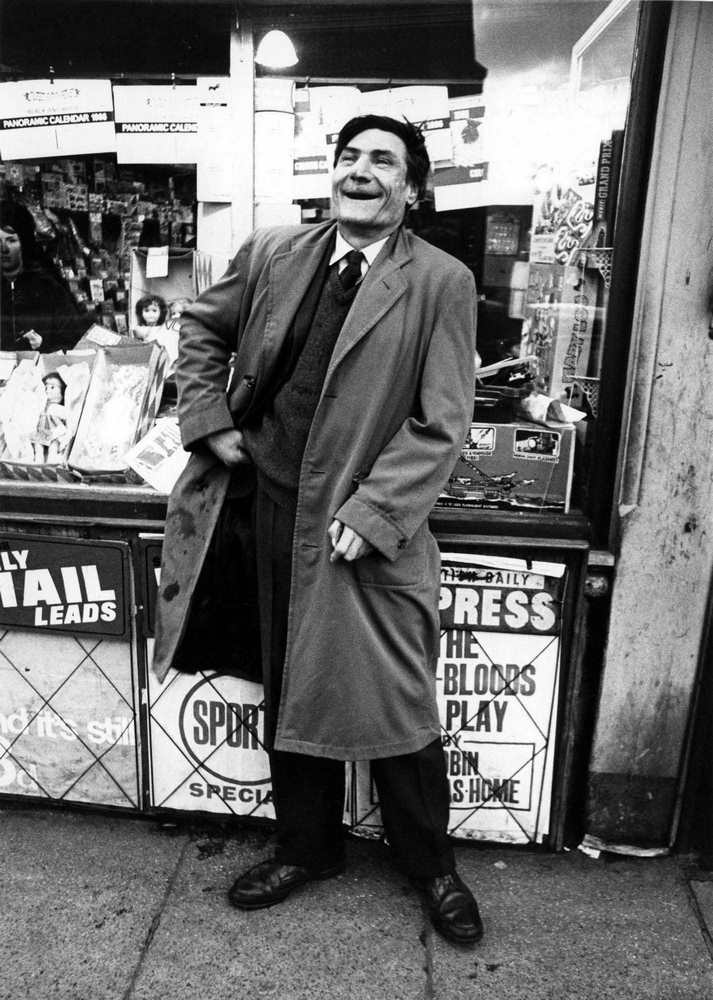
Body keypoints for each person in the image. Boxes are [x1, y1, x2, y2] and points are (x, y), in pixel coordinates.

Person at [153, 115, 482, 946]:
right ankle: (307, 847)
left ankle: (430, 865)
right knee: (288, 680)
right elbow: (200, 324)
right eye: (349, 158)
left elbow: (442, 421)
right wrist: (209, 417)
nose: (360, 172)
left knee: (394, 697)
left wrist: (372, 514)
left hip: (360, 523)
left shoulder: (439, 280)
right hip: (262, 507)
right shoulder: (276, 252)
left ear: (412, 189)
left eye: (383, 161)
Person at [0, 200, 86, 353]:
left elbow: (73, 342)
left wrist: (43, 344)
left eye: (11, 240)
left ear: (24, 243)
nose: (3, 249)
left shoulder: (49, 288)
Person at [32, 372, 69, 464]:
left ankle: (51, 463)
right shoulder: (40, 406)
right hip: (41, 431)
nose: (47, 390)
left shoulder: (57, 408)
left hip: (53, 432)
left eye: (52, 387)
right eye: (45, 387)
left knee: (53, 446)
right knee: (38, 448)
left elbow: (65, 418)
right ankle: (38, 462)